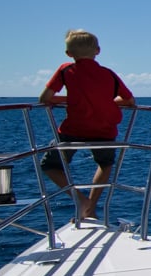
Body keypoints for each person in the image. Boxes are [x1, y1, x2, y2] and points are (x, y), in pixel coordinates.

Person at [39, 29, 136, 220]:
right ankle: (90, 207)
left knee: (49, 165)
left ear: (69, 53)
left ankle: (80, 199)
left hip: (74, 129)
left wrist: (73, 99)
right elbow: (130, 101)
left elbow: (45, 98)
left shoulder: (66, 70)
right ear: (97, 51)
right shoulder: (109, 74)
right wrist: (105, 101)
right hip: (104, 129)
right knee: (105, 164)